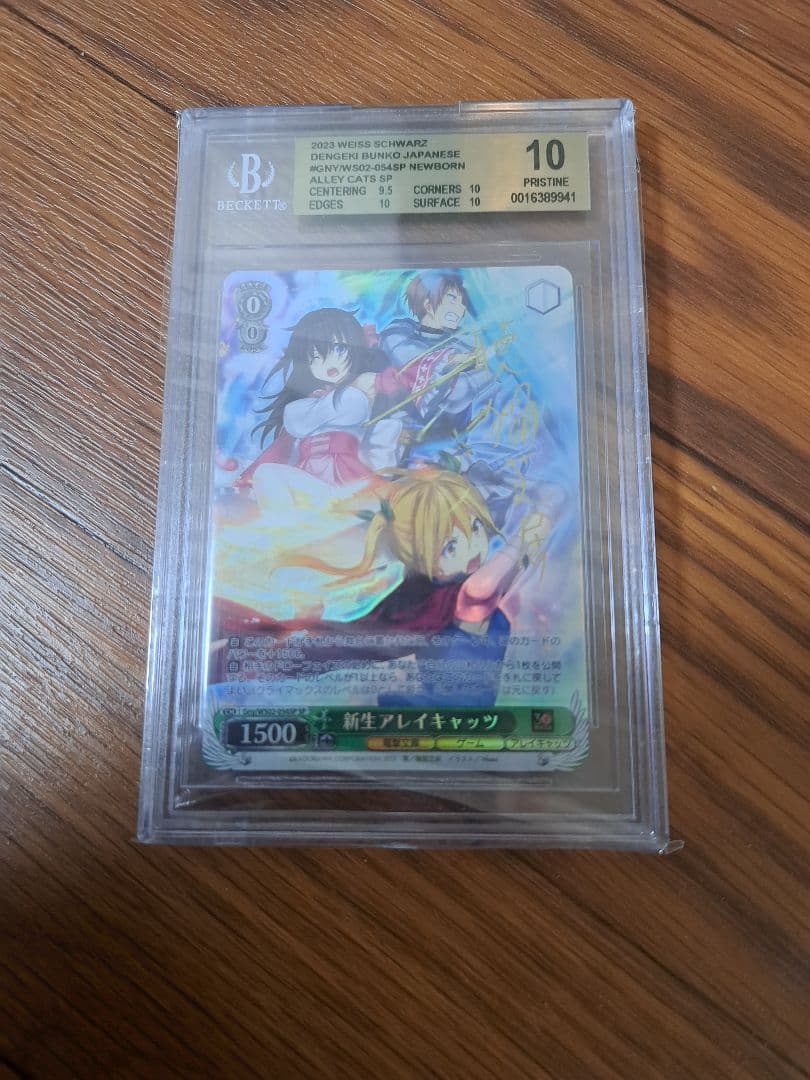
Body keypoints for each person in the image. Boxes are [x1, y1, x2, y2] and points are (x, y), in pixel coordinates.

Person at [235, 307, 402, 490]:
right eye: (315, 356)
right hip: (308, 475)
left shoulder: (355, 396)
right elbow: (295, 422)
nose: (329, 362)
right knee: (266, 474)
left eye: (339, 349)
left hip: (346, 473)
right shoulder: (304, 406)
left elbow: (355, 407)